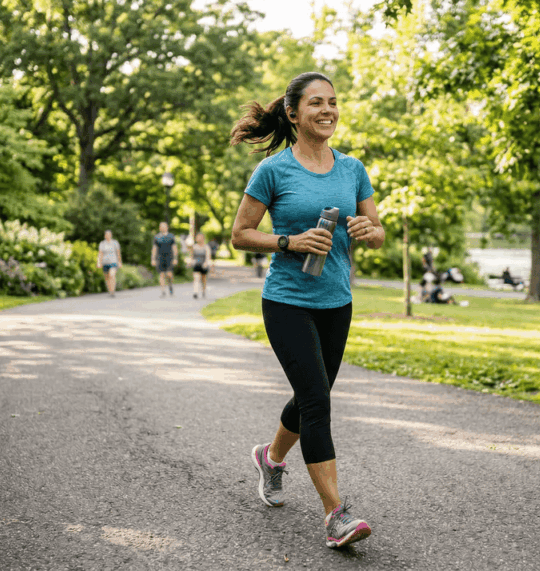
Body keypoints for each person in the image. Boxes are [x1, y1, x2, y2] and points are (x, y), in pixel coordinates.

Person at [230, 71, 385, 549]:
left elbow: (378, 232)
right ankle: (336, 515)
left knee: (308, 396)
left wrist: (366, 231)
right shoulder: (274, 171)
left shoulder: (352, 168)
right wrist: (288, 240)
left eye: (334, 102)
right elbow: (240, 234)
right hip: (287, 300)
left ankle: (271, 459)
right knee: (318, 401)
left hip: (336, 301)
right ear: (294, 113)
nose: (328, 110)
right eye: (317, 102)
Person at [151, 222, 177, 297]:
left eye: (164, 226)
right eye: (161, 227)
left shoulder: (171, 236)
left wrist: (175, 258)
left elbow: (174, 248)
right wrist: (153, 259)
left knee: (169, 274)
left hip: (169, 257)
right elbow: (154, 248)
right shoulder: (157, 237)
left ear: (167, 227)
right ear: (159, 228)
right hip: (160, 257)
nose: (162, 228)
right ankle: (163, 291)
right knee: (161, 274)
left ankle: (170, 286)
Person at [96, 230, 122, 297]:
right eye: (106, 234)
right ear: (105, 236)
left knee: (112, 275)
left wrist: (119, 262)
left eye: (109, 234)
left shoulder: (115, 243)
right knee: (107, 278)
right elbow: (100, 254)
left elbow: (118, 253)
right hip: (105, 262)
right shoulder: (102, 244)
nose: (108, 236)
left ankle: (113, 291)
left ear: (111, 235)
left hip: (113, 262)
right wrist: (99, 262)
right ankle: (110, 290)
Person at [189, 232, 212, 299]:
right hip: (196, 264)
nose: (199, 239)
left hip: (204, 265)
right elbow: (191, 256)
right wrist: (191, 262)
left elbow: (208, 257)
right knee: (196, 278)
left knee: (203, 279)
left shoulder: (206, 247)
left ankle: (203, 291)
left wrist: (206, 263)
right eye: (198, 237)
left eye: (200, 237)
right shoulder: (194, 247)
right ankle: (195, 292)